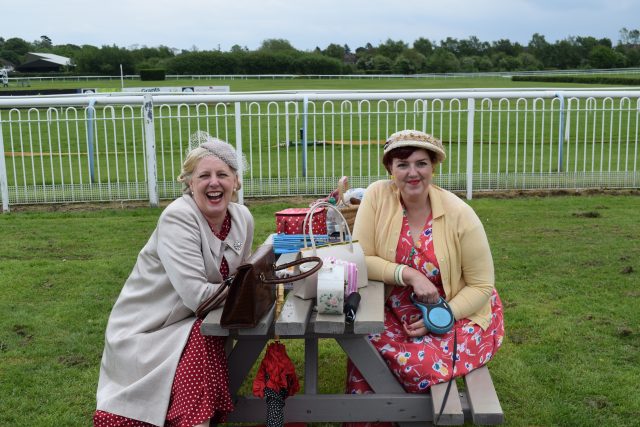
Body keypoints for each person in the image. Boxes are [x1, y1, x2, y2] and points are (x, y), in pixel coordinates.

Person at [94, 131, 254, 427]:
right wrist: (250, 289)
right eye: (203, 175)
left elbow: (241, 279)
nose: (214, 182)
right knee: (202, 336)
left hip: (193, 322)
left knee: (202, 334)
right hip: (149, 329)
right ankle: (193, 420)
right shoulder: (177, 218)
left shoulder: (243, 218)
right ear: (190, 183)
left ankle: (196, 419)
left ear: (235, 182)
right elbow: (200, 298)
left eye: (222, 174)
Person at [347, 129, 504, 424]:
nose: (412, 173)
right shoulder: (377, 196)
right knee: (364, 352)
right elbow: (360, 257)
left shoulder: (461, 214)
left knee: (420, 363)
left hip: (458, 314)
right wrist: (407, 274)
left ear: (433, 166)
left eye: (421, 163)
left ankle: (412, 415)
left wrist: (442, 315)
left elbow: (482, 286)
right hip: (392, 312)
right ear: (389, 169)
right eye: (402, 164)